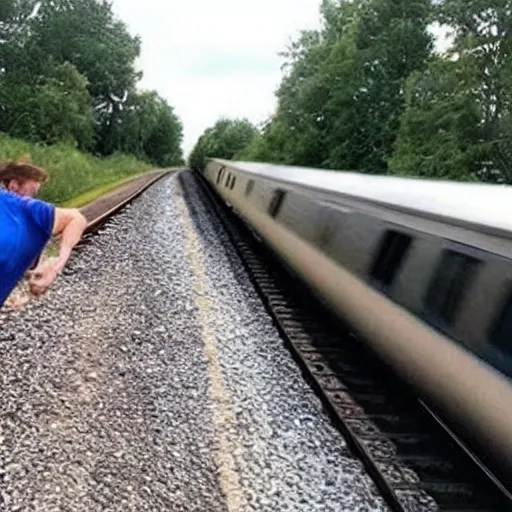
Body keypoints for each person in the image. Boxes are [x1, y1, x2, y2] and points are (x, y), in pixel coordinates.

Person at [0, 161, 87, 307]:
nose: (34, 198)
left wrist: (54, 266)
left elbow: (76, 219)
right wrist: (56, 265)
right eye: (33, 192)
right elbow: (75, 218)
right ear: (13, 186)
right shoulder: (23, 207)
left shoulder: (28, 215)